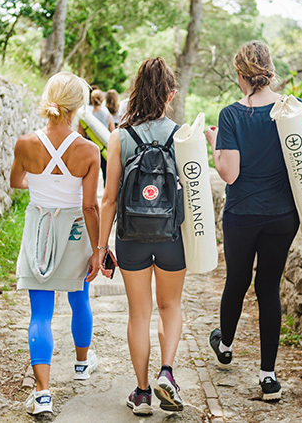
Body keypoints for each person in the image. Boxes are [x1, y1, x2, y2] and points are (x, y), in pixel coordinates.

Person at [204, 41, 302, 401]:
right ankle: (269, 377)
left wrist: (215, 143)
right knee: (268, 288)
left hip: (242, 214)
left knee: (237, 280)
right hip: (282, 216)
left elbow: (229, 173)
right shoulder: (295, 109)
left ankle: (225, 347)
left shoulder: (231, 115)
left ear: (242, 76)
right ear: (269, 70)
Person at [10, 71, 103, 416]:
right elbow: (90, 205)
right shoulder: (89, 150)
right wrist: (98, 250)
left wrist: (42, 183)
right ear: (79, 106)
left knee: (41, 314)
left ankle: (43, 393)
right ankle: (81, 364)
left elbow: (17, 180)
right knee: (80, 300)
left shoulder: (25, 143)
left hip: (40, 229)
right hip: (75, 230)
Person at [98, 57, 187, 416]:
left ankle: (142, 394)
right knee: (171, 306)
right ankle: (167, 371)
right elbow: (192, 195)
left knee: (139, 314)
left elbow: (109, 198)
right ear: (170, 95)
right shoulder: (181, 135)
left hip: (131, 237)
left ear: (136, 93)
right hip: (170, 237)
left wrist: (101, 248)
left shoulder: (120, 136)